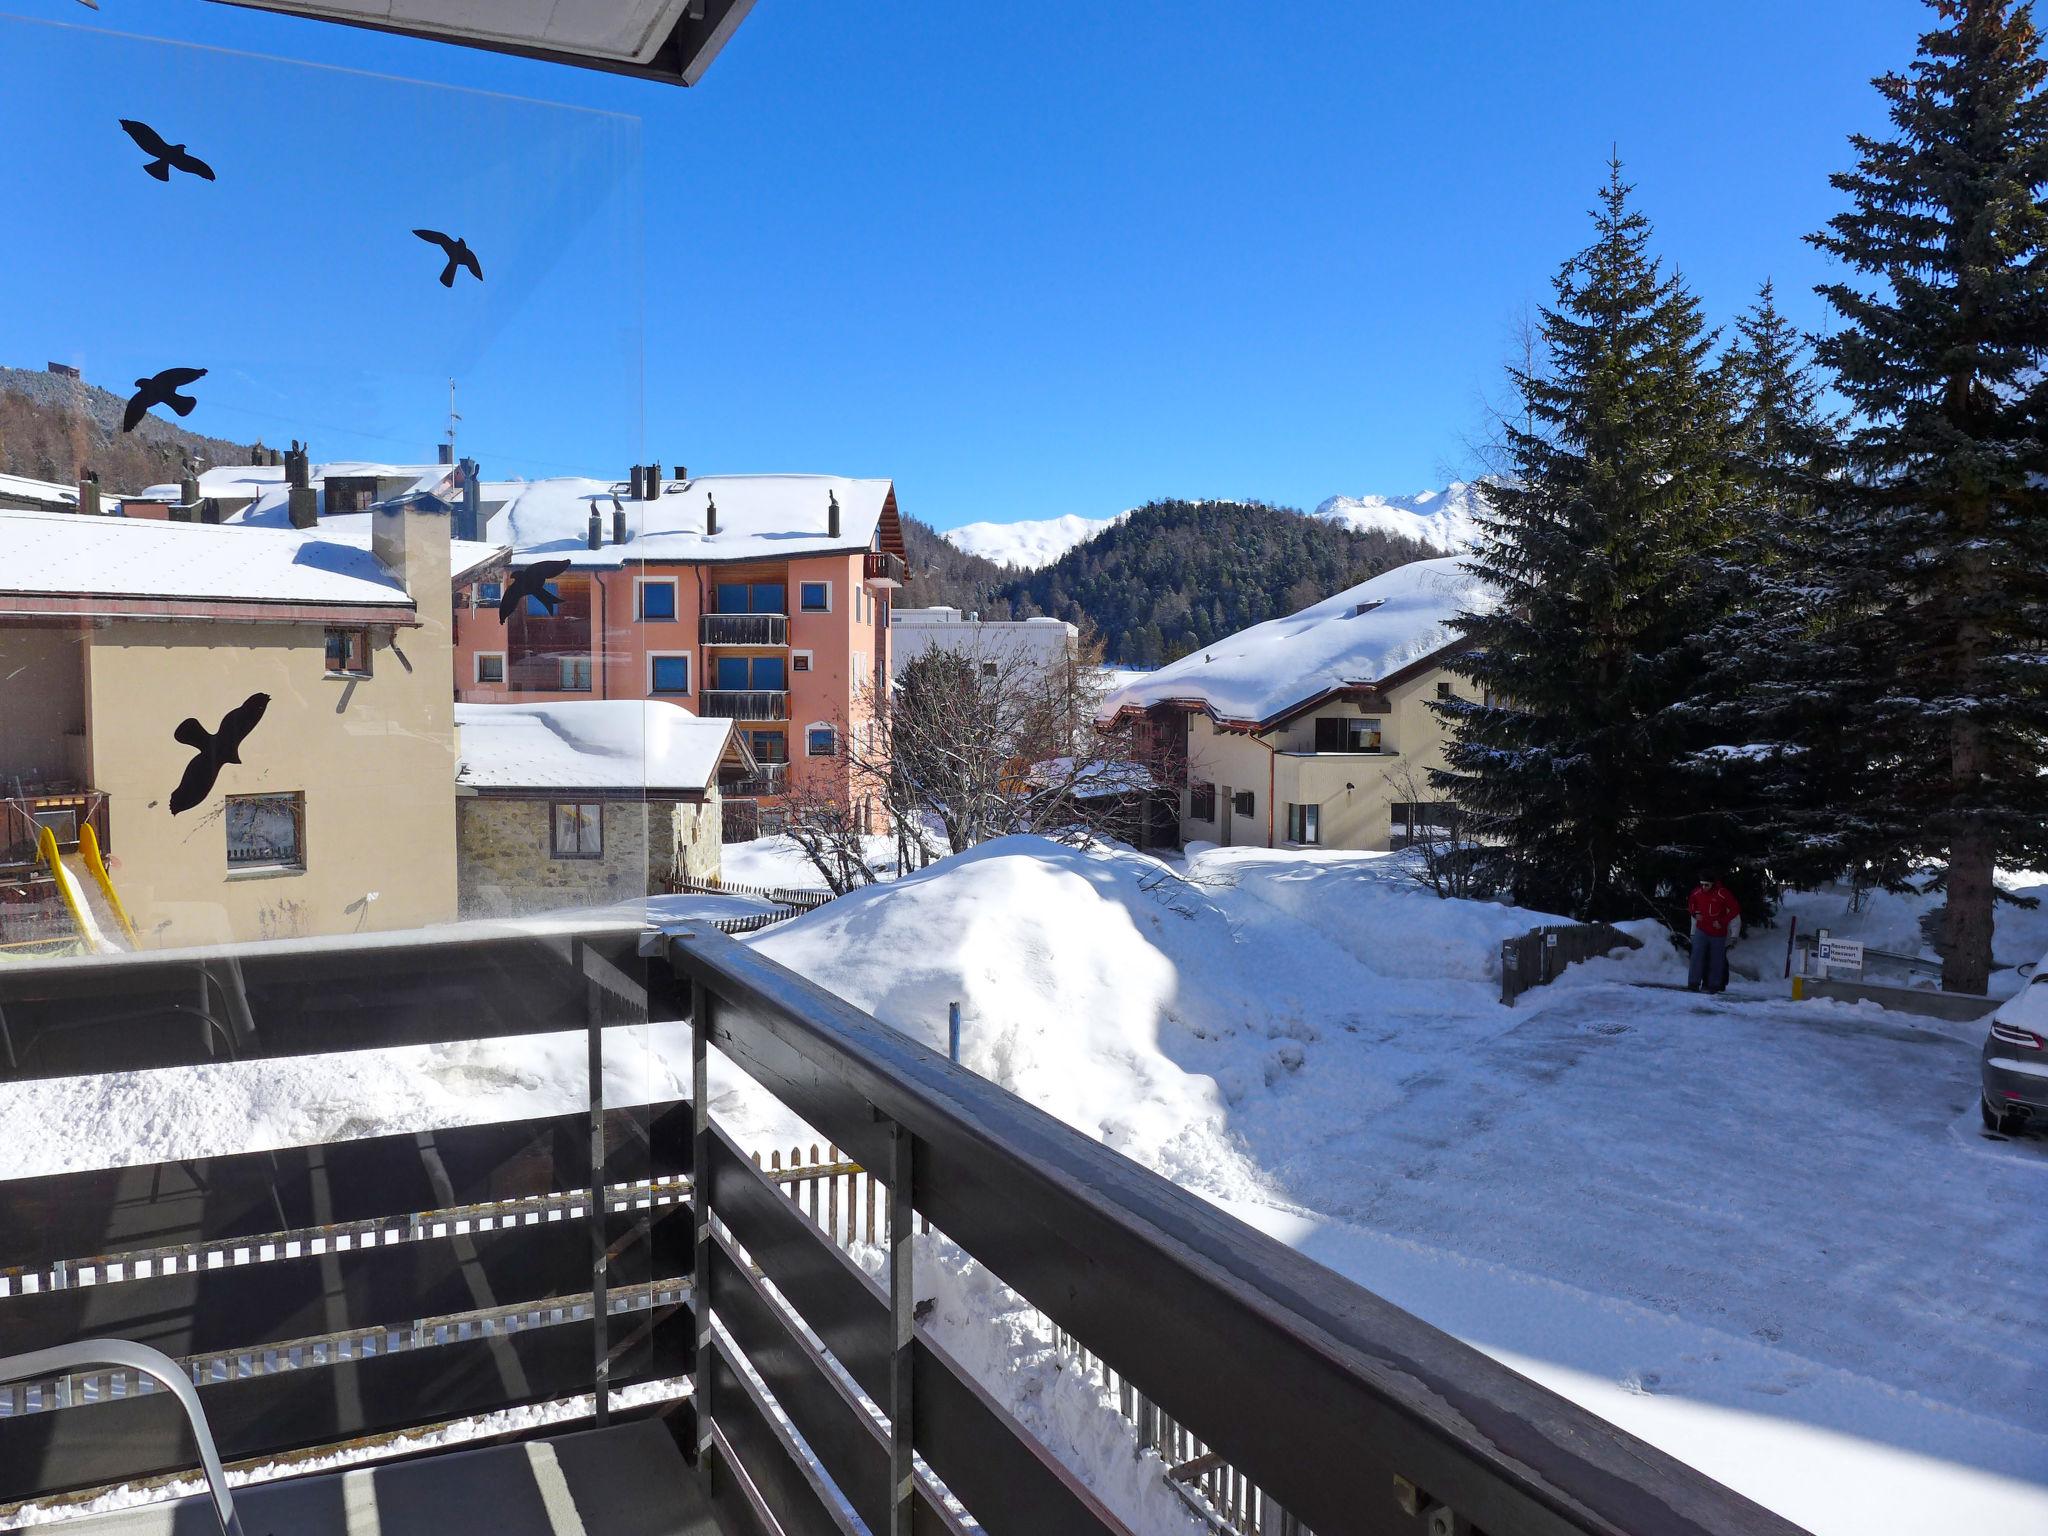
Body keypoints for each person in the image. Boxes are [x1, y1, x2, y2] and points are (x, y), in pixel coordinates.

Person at [1687, 873, 1741, 993]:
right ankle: (1693, 983)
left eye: (1707, 885)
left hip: (1718, 932)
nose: (1704, 887)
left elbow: (1735, 910)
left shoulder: (1722, 893)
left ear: (1713, 884)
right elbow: (1691, 904)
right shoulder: (1697, 892)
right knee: (1696, 956)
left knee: (1716, 959)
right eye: (1702, 885)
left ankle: (1714, 985)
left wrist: (1723, 922)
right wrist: (1695, 913)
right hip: (1701, 929)